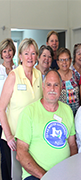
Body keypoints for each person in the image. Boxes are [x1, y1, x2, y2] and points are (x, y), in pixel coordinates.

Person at [16, 70, 77, 180]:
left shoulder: (67, 110)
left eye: (56, 85)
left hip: (64, 174)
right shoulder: (29, 112)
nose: (52, 89)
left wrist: (72, 170)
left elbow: (72, 145)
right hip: (36, 175)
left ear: (61, 87)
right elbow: (21, 152)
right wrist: (45, 176)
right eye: (48, 85)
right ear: (43, 86)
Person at [0, 38, 42, 180]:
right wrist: (9, 136)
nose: (30, 57)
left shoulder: (38, 75)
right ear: (20, 56)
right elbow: (1, 108)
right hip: (14, 139)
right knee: (15, 176)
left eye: (33, 53)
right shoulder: (13, 76)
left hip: (32, 137)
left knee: (30, 174)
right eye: (26, 53)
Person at [0, 38, 17, 180]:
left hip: (13, 118)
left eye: (10, 50)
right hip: (1, 118)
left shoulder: (18, 70)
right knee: (4, 156)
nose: (7, 54)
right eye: (4, 51)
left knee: (13, 154)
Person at [57, 47, 80, 116]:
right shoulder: (54, 77)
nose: (64, 62)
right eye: (61, 60)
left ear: (70, 60)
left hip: (76, 115)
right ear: (57, 62)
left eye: (66, 59)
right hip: (60, 115)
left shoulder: (76, 75)